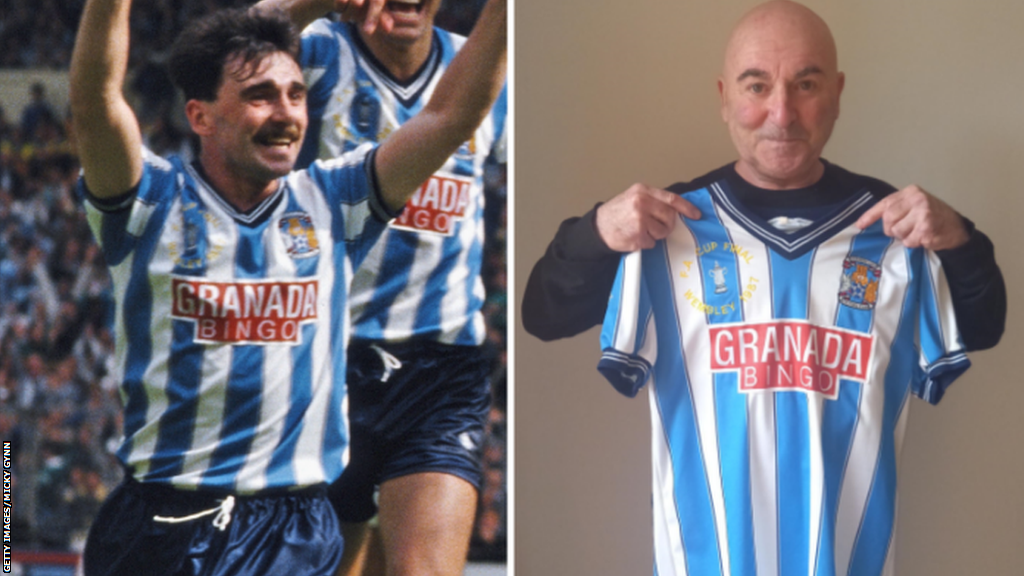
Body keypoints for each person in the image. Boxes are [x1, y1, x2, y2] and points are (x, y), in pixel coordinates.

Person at [521, 1, 1005, 575]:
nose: (781, 112)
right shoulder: (669, 230)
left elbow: (983, 326)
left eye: (805, 84)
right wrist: (599, 229)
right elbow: (542, 313)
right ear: (724, 96)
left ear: (838, 93)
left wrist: (960, 239)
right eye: (757, 86)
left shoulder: (893, 230)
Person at [69, 0, 506, 573]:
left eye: (296, 95)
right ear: (200, 116)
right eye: (260, 97)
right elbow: (97, 99)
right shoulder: (150, 202)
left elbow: (450, 116)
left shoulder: (333, 201)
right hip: (165, 524)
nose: (286, 113)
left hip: (292, 530)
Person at [253, 1, 506, 575]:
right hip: (320, 367)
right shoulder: (317, 49)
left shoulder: (484, 70)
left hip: (439, 370)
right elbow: (233, 49)